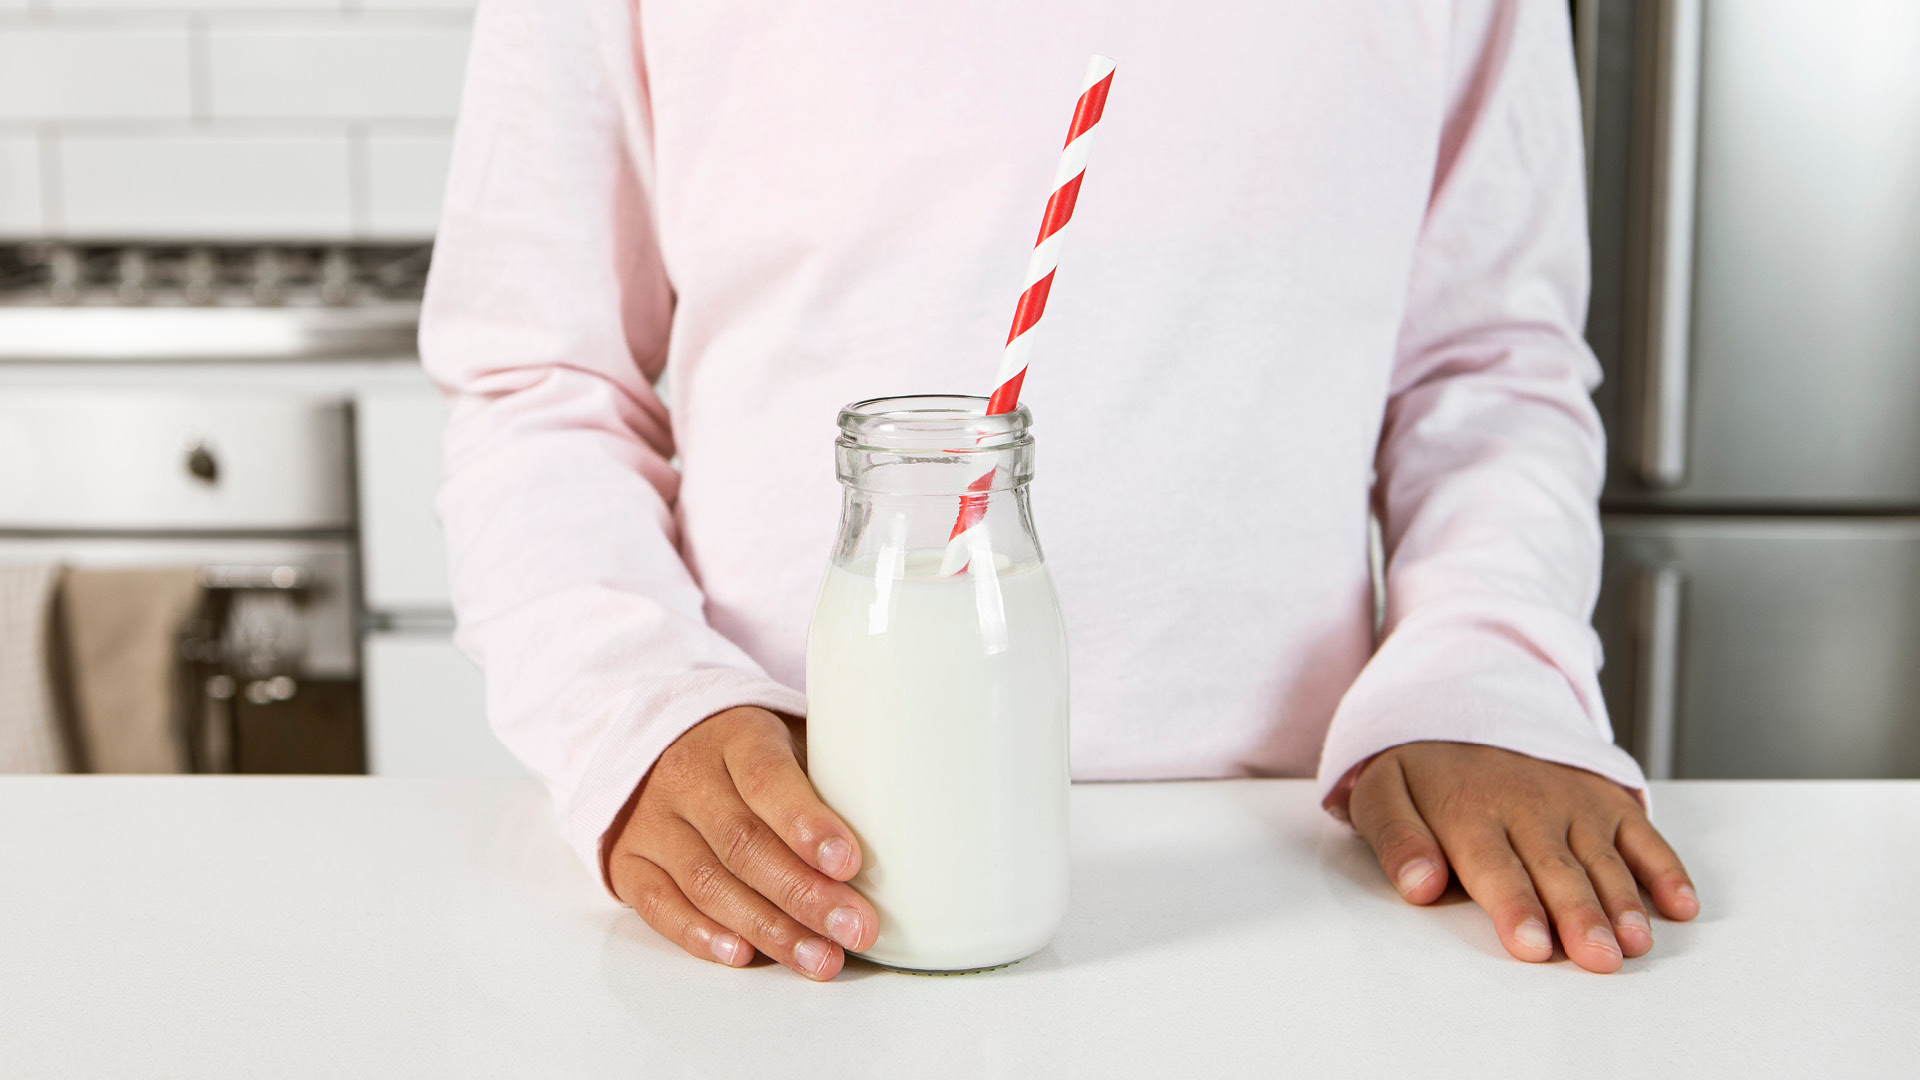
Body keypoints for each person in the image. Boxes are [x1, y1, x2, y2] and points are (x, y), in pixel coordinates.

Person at [420, 0, 1699, 981]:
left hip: (1304, 885)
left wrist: (1485, 665)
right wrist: (638, 713)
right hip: (802, 860)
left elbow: (1490, 367)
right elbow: (538, 377)